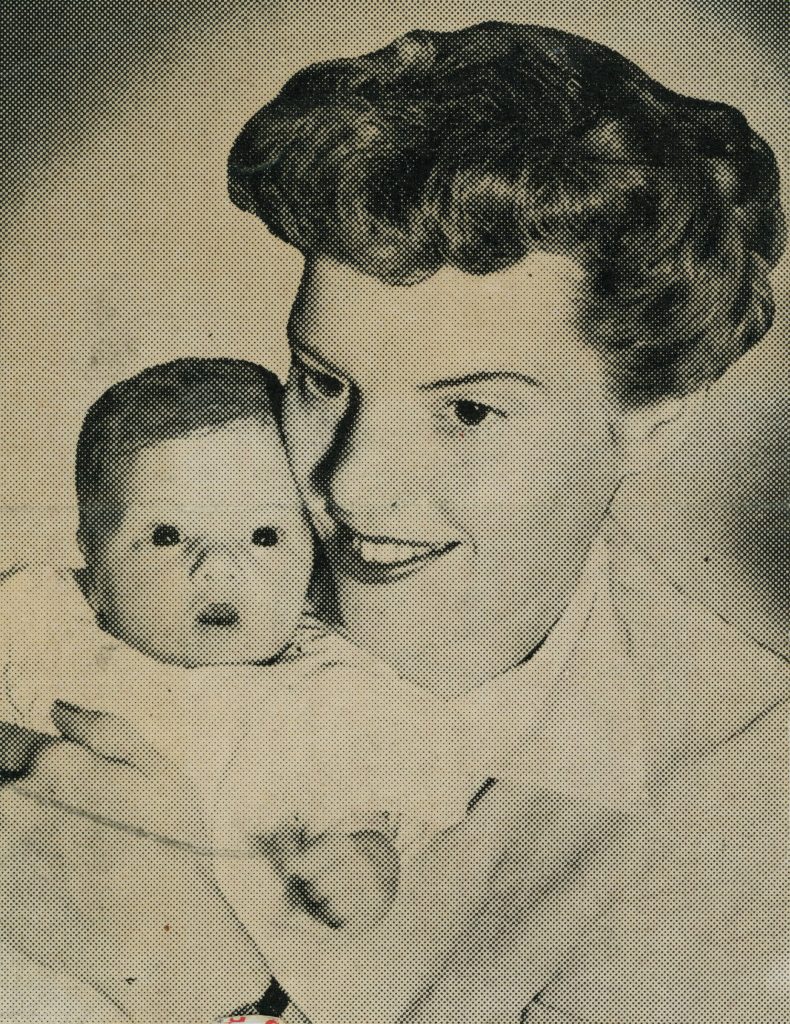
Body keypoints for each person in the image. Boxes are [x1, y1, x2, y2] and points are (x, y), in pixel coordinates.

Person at [2, 20, 787, 1023]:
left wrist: (191, 979)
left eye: (467, 409)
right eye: (324, 382)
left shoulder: (745, 788)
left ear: (650, 420)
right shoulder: (178, 573)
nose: (355, 486)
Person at [0, 358, 476, 954]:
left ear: (311, 554)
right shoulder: (39, 619)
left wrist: (362, 865)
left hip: (195, 968)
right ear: (93, 563)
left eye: (263, 536)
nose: (220, 568)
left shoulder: (338, 693)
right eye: (167, 536)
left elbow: (378, 821)